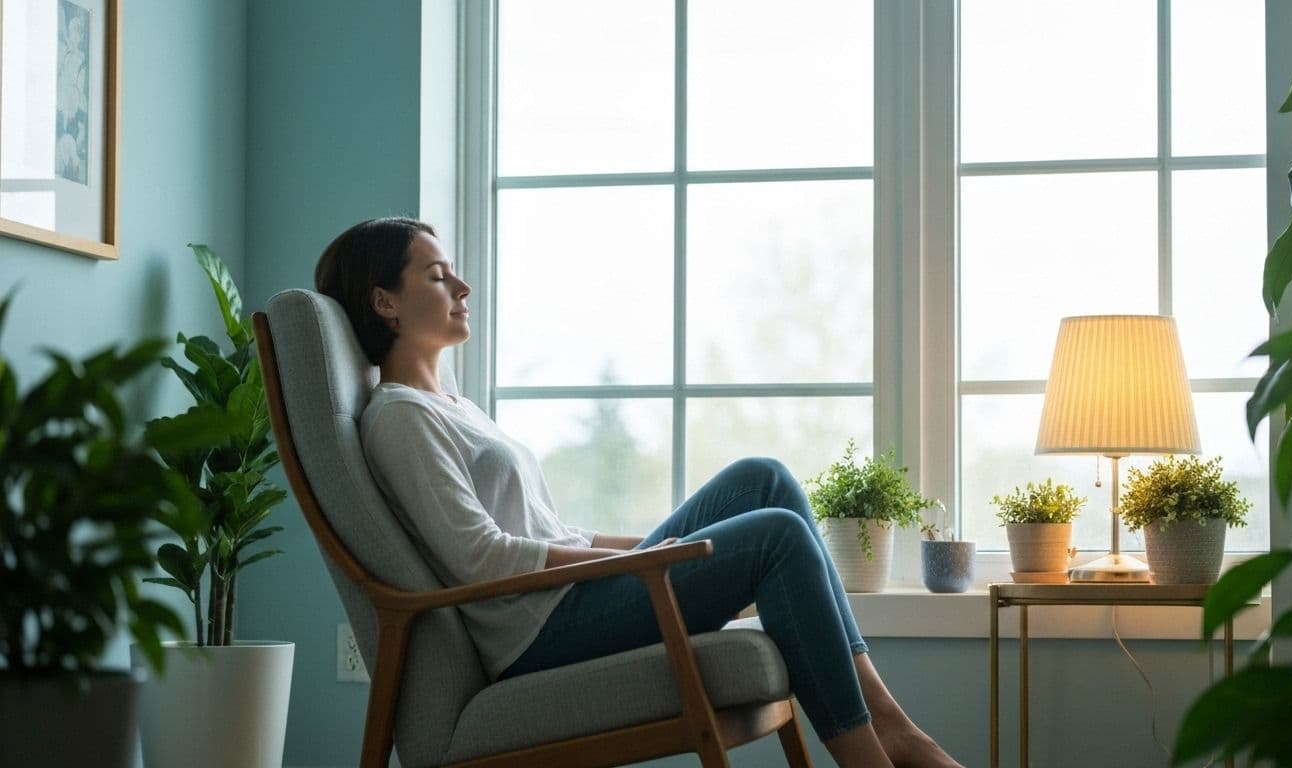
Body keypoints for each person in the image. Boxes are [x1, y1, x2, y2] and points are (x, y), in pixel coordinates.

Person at [315, 216, 964, 768]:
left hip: (573, 601)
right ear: (385, 303)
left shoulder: (454, 406)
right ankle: (873, 761)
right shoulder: (401, 417)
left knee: (762, 478)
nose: (462, 286)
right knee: (778, 536)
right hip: (539, 635)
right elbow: (480, 557)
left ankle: (893, 726)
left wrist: (656, 549)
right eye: (435, 276)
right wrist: (637, 564)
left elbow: (550, 534)